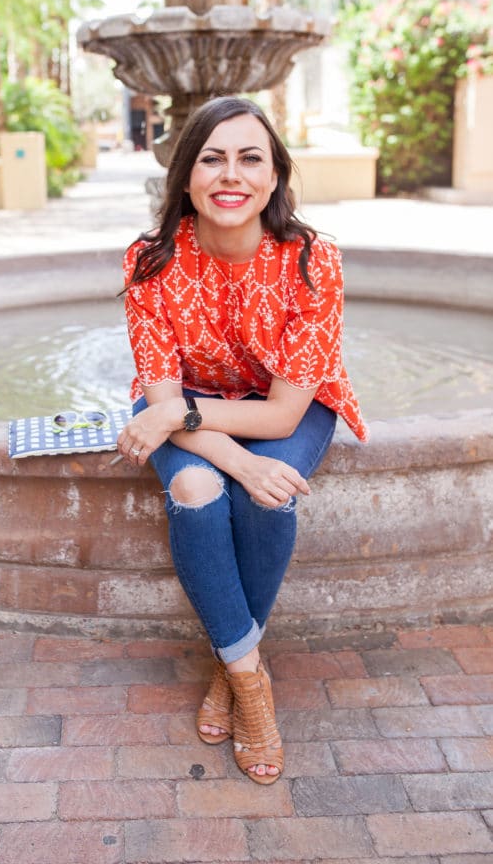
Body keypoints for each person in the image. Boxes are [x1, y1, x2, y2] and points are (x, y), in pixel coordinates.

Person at [116, 95, 368, 786]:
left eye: (250, 158)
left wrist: (193, 427)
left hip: (284, 406)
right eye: (212, 158)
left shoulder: (313, 259)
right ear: (187, 177)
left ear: (275, 175)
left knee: (268, 499)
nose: (232, 175)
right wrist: (229, 456)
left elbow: (285, 416)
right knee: (199, 486)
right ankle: (249, 679)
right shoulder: (150, 261)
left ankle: (228, 666)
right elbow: (165, 398)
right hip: (187, 407)